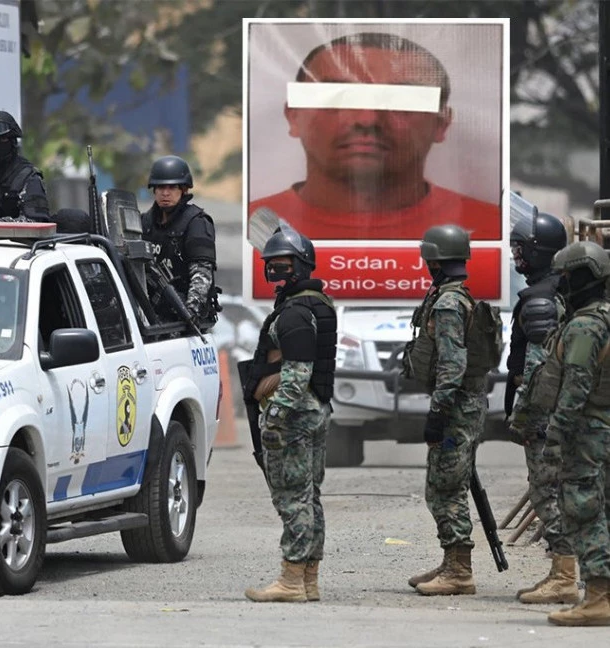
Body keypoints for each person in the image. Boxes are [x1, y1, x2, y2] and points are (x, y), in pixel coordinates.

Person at [248, 32, 499, 240]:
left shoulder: (495, 232)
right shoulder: (249, 230)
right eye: (339, 97)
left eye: (402, 101)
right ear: (294, 116)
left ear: (441, 124)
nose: (367, 120)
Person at [244, 224, 336, 603]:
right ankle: (308, 580)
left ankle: (291, 580)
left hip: (295, 416)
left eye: (281, 266)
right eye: (269, 266)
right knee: (309, 497)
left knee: (294, 499)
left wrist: (276, 417)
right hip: (314, 410)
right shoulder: (316, 304)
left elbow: (296, 374)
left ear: (300, 266)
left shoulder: (295, 313)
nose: (273, 273)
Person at [520, 241, 610, 626]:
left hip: (586, 433)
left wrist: (555, 435)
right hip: (600, 428)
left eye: (566, 276)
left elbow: (576, 385)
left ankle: (598, 599)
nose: (561, 284)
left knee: (583, 510)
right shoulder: (603, 318)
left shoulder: (585, 326)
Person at [404, 224, 489, 596]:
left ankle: (459, 571)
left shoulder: (449, 304)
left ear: (435, 260)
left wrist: (438, 412)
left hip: (455, 409)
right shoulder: (452, 296)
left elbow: (452, 364)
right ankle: (451, 560)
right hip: (460, 406)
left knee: (446, 488)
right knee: (442, 485)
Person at [506, 212, 579, 605]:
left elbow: (539, 371)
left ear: (538, 251)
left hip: (546, 417)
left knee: (546, 491)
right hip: (561, 414)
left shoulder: (540, 301)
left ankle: (564, 575)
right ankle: (563, 571)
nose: (515, 256)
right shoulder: (556, 290)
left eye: (520, 248)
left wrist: (528, 419)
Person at [140, 155, 218, 326]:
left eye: (172, 187)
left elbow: (202, 274)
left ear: (183, 189)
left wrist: (190, 313)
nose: (165, 193)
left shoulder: (196, 223)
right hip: (149, 315)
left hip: (183, 319)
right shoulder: (144, 222)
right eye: (160, 187)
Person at [0, 110, 50, 222]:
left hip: (13, 239)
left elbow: (36, 222)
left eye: (1, 140)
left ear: (12, 142)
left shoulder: (26, 177)